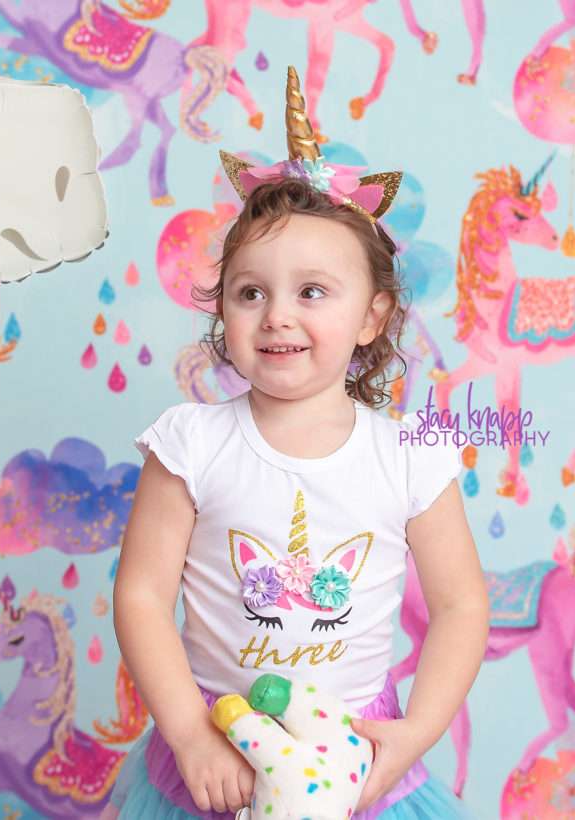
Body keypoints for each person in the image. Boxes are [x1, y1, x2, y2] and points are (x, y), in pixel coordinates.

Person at [102, 67, 489, 820]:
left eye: (312, 292)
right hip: (218, 758)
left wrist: (411, 736)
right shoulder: (191, 444)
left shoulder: (410, 457)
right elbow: (142, 595)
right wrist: (188, 735)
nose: (277, 315)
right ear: (224, 309)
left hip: (353, 762)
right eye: (252, 292)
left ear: (373, 317)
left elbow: (461, 604)